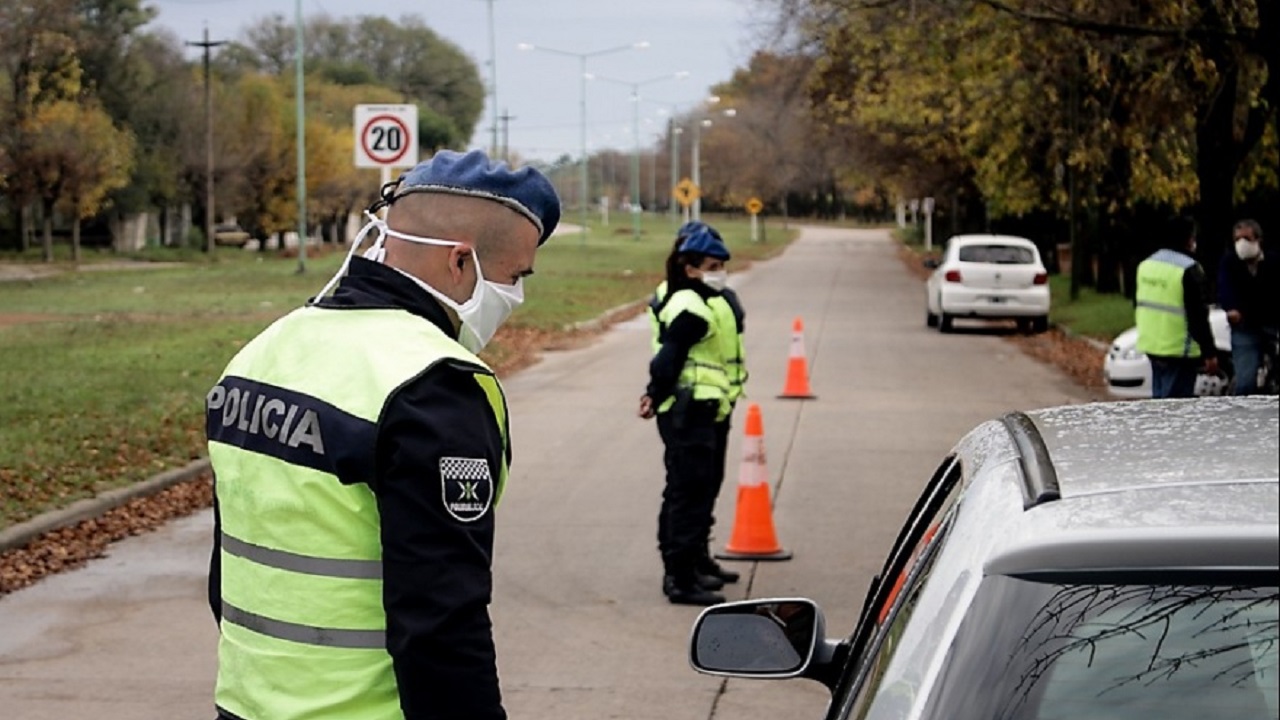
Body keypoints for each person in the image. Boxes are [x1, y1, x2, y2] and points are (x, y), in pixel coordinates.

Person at [204, 149, 559, 720]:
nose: (514, 296)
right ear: (461, 263)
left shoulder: (267, 348)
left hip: (246, 703)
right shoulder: (431, 386)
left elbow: (230, 567)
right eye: (515, 276)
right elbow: (442, 619)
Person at [638, 225, 740, 606]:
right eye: (713, 265)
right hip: (689, 410)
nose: (720, 272)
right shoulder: (689, 308)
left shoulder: (698, 300)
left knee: (697, 489)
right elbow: (667, 360)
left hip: (703, 407)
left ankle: (690, 566)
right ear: (691, 268)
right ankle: (679, 578)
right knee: (687, 493)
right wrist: (653, 393)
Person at [1134, 215, 1219, 399]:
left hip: (1152, 345)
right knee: (1175, 411)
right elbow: (1197, 315)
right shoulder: (1189, 269)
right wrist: (1209, 352)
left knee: (1160, 403)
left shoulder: (1146, 265)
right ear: (1188, 239)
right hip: (1179, 350)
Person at [1217, 219, 1276, 395]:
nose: (1241, 243)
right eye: (1237, 239)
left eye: (1246, 238)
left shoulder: (1273, 261)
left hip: (1272, 323)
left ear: (1258, 240)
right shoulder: (1230, 262)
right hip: (1245, 326)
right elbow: (1224, 288)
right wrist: (1230, 308)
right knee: (1245, 381)